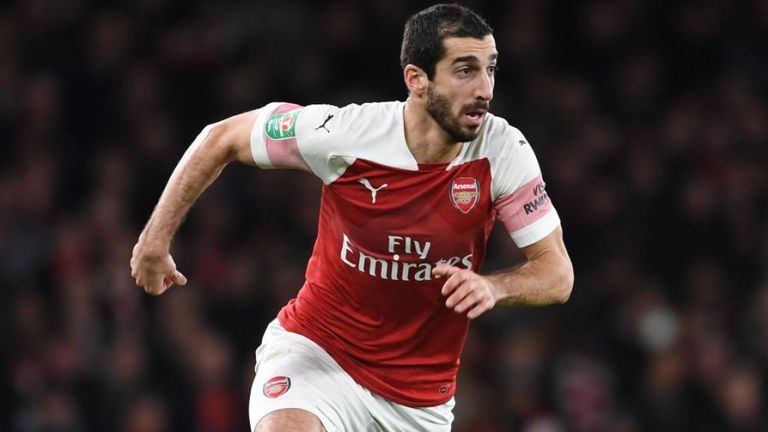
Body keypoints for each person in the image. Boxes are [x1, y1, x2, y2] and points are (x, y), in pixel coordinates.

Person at [130, 4, 574, 431]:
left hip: (418, 402)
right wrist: (154, 241)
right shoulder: (347, 134)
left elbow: (557, 274)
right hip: (318, 355)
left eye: (490, 69)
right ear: (417, 80)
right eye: (465, 70)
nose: (485, 89)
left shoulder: (502, 151)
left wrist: (494, 286)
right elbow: (221, 137)